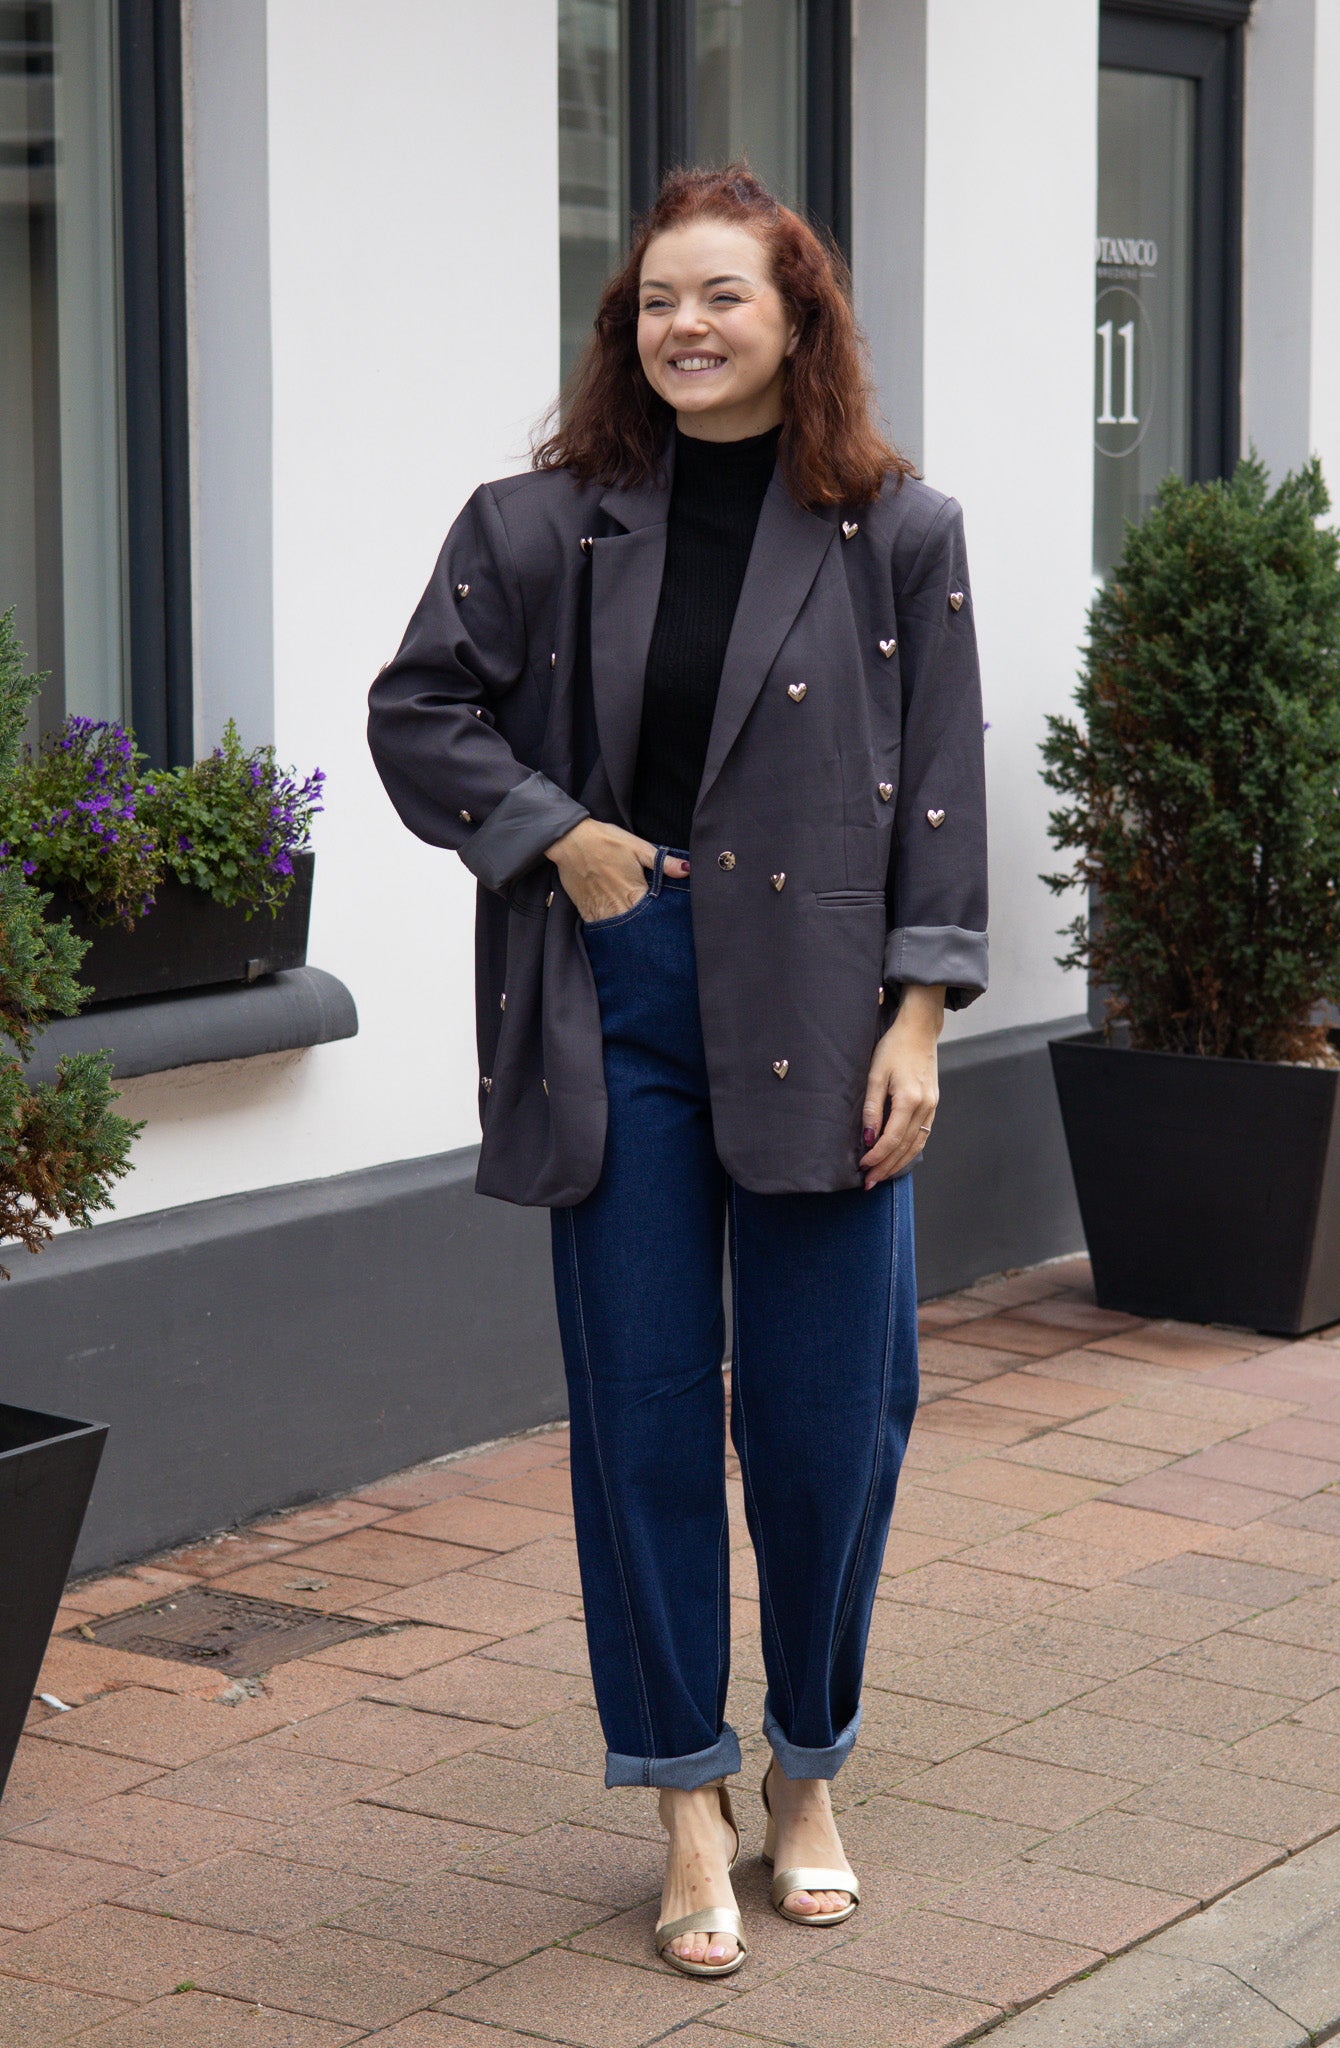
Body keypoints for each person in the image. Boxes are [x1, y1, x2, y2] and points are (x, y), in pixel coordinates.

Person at [369, 162, 987, 1980]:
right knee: (639, 1415)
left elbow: (939, 777)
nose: (685, 327)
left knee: (824, 1426)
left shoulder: (900, 529)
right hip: (617, 996)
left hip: (826, 1000)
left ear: (797, 322)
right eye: (655, 301)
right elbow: (420, 711)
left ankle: (807, 1772)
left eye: (722, 296)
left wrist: (922, 1015)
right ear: (623, 329)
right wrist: (555, 834)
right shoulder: (540, 518)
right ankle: (679, 1800)